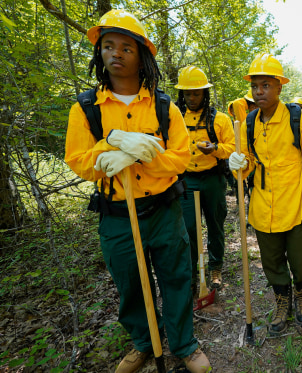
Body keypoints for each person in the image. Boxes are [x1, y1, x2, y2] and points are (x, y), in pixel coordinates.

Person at [64, 10, 210, 372]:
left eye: (126, 48)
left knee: (177, 277)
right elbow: (77, 160)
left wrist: (144, 156)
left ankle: (184, 344)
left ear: (141, 55)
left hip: (164, 210)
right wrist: (109, 148)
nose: (116, 53)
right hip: (116, 215)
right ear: (99, 54)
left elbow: (179, 159)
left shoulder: (165, 107)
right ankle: (145, 342)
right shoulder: (84, 108)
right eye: (108, 46)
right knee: (129, 284)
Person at [228, 53, 302, 335]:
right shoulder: (248, 122)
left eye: (266, 85)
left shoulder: (299, 119)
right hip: (262, 206)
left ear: (279, 87)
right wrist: (238, 164)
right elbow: (248, 162)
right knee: (271, 261)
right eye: (255, 86)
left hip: (296, 205)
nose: (259, 91)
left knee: (300, 259)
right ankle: (282, 300)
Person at [175, 65, 235, 292]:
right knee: (188, 227)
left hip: (212, 179)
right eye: (187, 93)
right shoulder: (175, 117)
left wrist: (215, 149)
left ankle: (216, 267)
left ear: (204, 93)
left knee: (215, 224)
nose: (191, 97)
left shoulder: (219, 119)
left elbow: (231, 147)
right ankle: (192, 272)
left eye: (196, 93)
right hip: (186, 181)